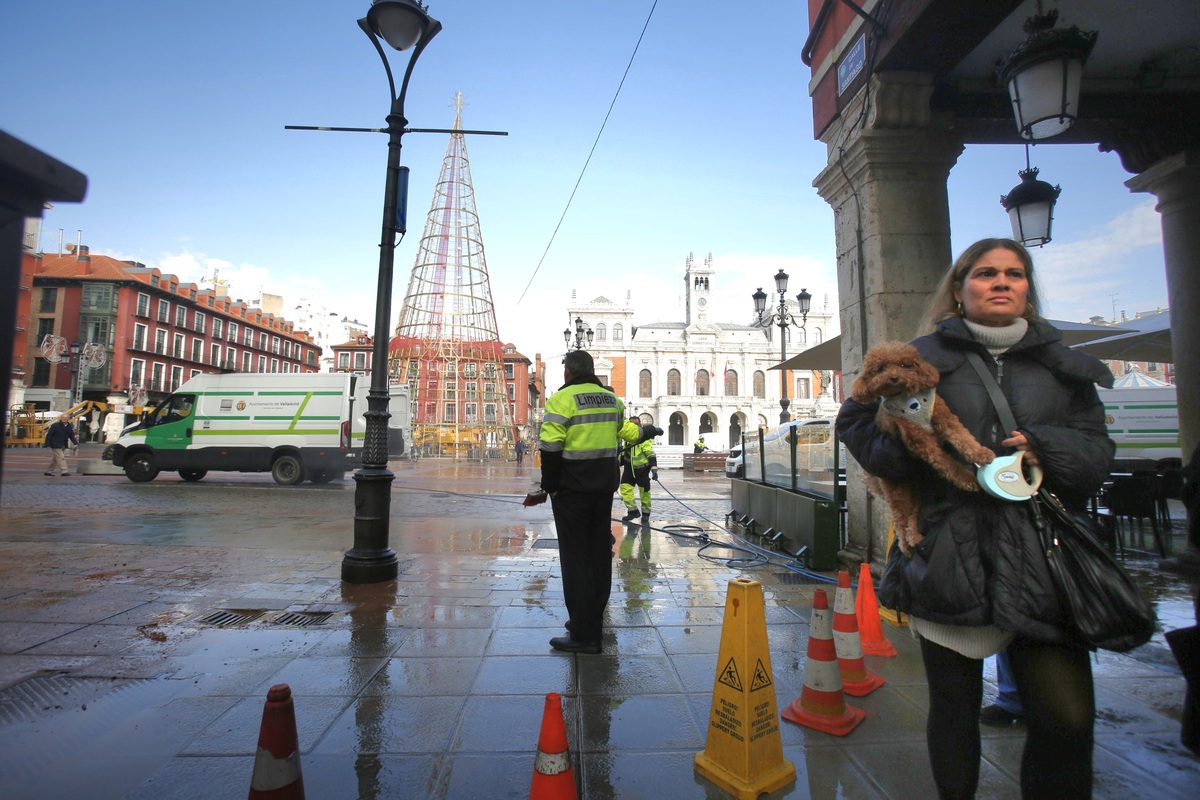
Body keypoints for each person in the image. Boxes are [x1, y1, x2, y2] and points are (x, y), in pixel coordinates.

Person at [837, 237, 1114, 799]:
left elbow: (1097, 452)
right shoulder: (920, 358)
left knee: (1067, 717)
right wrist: (906, 441)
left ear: (1029, 287)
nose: (1002, 282)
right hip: (951, 546)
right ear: (959, 290)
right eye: (986, 273)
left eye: (1014, 273)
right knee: (955, 709)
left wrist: (1045, 448)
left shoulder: (1064, 367)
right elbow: (859, 427)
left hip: (1043, 554)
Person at [534, 350, 661, 654]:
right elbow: (629, 432)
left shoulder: (562, 400)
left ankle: (583, 633)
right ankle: (591, 620)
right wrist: (649, 431)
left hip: (571, 491)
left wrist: (549, 487)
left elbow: (550, 446)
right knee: (599, 554)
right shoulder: (611, 400)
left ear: (568, 372)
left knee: (575, 558)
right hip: (603, 490)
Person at [618, 416, 658, 523]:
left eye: (636, 425)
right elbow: (623, 455)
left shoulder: (644, 439)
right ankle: (633, 511)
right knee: (625, 488)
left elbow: (650, 453)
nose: (634, 427)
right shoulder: (627, 440)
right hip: (629, 470)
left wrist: (654, 468)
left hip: (642, 470)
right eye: (632, 425)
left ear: (640, 425)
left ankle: (646, 514)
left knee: (644, 493)